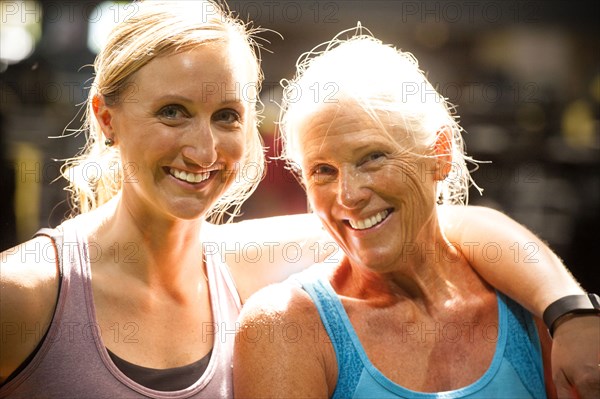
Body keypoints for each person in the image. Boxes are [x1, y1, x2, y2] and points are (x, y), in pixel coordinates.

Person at [0, 2, 595, 398]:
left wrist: (569, 311)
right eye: (172, 112)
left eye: (227, 115)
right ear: (106, 117)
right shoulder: (25, 292)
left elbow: (448, 225)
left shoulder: (247, 258)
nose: (204, 147)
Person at [233, 31, 600, 398]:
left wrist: (571, 310)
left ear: (439, 155)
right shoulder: (286, 326)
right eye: (323, 171)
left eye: (373, 158)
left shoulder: (530, 307)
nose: (348, 195)